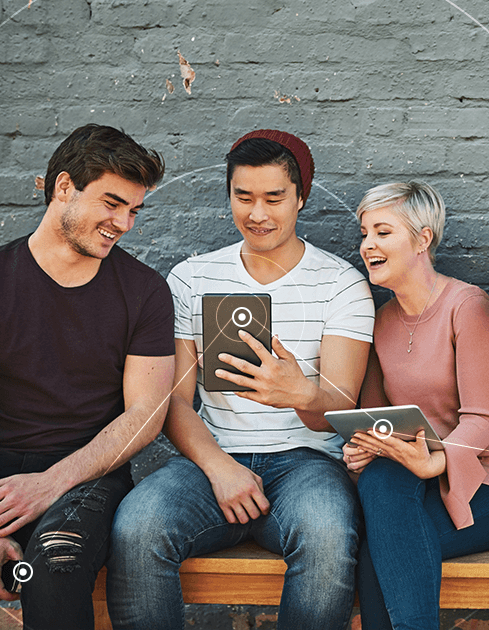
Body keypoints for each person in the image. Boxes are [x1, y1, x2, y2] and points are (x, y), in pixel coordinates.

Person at [106, 129, 374, 630]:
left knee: (327, 536)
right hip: (212, 457)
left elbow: (340, 408)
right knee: (137, 527)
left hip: (307, 464)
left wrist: (301, 394)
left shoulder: (341, 284)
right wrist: (219, 467)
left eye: (275, 198)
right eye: (243, 197)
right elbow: (175, 402)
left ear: (301, 198)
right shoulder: (192, 278)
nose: (258, 214)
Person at [0, 124, 172, 629]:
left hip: (86, 478)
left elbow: (146, 415)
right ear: (62, 188)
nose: (123, 223)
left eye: (134, 211)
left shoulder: (144, 291)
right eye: (112, 203)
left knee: (53, 569)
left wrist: (50, 484)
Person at [344, 181, 489, 630]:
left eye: (383, 232)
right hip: (409, 487)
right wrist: (364, 447)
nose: (368, 245)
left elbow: (482, 422)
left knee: (378, 550)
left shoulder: (469, 307)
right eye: (364, 233)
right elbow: (378, 421)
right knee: (382, 479)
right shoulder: (381, 319)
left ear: (423, 239)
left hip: (486, 488)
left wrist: (434, 462)